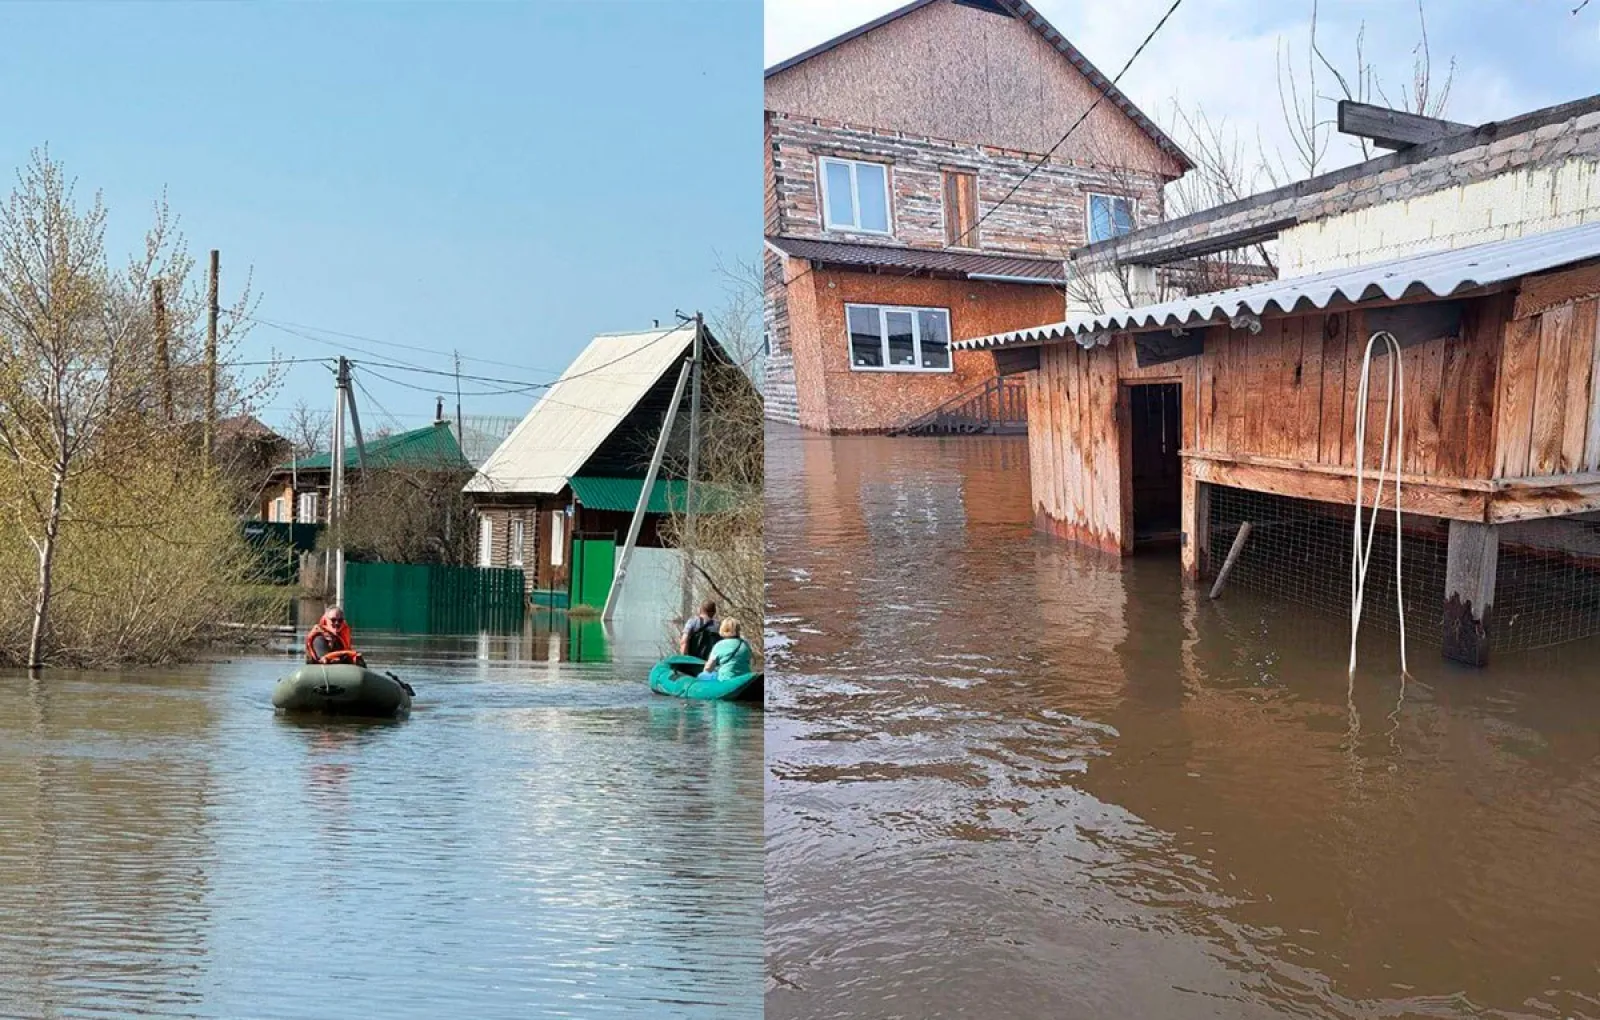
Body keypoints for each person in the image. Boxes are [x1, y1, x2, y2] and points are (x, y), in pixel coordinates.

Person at [701, 618, 752, 682]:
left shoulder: (719, 645)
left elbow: (708, 668)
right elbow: (748, 660)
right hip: (745, 679)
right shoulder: (745, 644)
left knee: (701, 676)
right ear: (738, 630)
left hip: (726, 680)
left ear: (722, 629)